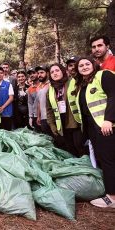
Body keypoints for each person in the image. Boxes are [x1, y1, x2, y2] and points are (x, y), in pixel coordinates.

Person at [73, 57, 115, 208]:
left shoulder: (104, 75)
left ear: (94, 64)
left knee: (108, 160)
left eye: (87, 64)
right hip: (93, 129)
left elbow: (113, 96)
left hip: (106, 126)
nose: (84, 67)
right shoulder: (83, 85)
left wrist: (109, 119)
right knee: (104, 159)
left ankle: (112, 197)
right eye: (81, 65)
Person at [46, 63, 85, 157]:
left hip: (76, 122)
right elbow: (49, 109)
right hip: (62, 124)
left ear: (63, 71)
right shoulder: (50, 89)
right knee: (70, 149)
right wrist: (52, 124)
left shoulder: (73, 82)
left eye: (57, 70)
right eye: (52, 72)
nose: (55, 73)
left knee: (80, 146)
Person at [0, 66, 14, 131]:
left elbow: (11, 98)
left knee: (7, 132)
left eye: (1, 73)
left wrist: (2, 107)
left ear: (3, 74)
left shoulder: (8, 84)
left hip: (6, 112)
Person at [35, 65, 51, 136]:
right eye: (38, 73)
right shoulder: (38, 87)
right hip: (43, 118)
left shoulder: (51, 84)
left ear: (47, 73)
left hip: (51, 117)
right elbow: (39, 102)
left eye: (42, 72)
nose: (39, 75)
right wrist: (38, 116)